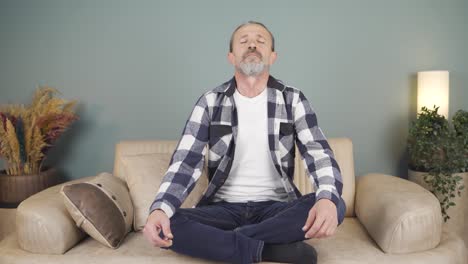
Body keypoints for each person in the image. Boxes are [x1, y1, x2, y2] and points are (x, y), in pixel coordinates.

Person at [143, 21, 346, 264]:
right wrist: (159, 208)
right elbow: (185, 163)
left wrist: (326, 200)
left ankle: (226, 242)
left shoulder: (293, 99)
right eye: (243, 41)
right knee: (168, 220)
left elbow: (319, 154)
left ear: (273, 56)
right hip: (223, 209)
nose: (252, 44)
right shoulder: (210, 102)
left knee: (334, 202)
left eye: (260, 41)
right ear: (231, 57)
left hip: (277, 209)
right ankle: (266, 249)